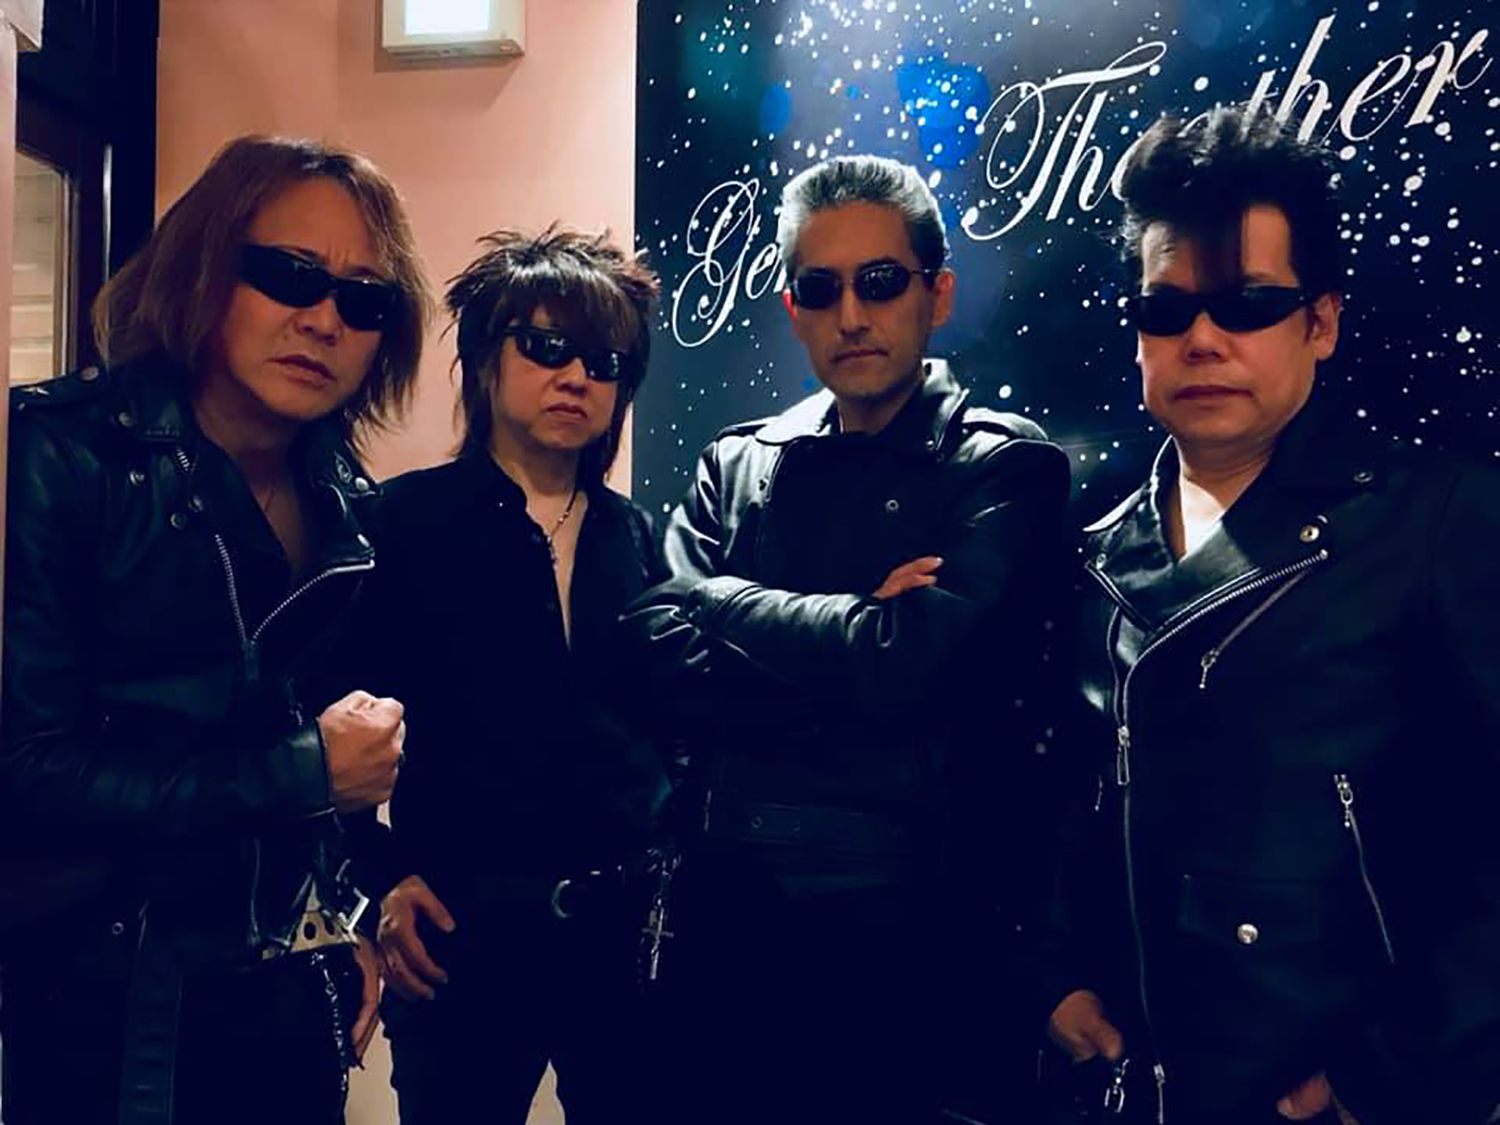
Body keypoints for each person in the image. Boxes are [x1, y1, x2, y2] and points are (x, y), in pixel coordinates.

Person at [1043, 105, 1500, 1124]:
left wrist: (1384, 1081)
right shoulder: (1093, 548)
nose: (1203, 339)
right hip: (1132, 1089)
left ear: (1320, 322)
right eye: (1166, 310)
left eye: (1247, 305)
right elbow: (1065, 796)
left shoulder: (1439, 521)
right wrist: (1055, 977)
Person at [622, 154, 1072, 1124]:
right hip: (722, 926)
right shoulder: (738, 463)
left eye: (880, 281)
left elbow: (910, 668)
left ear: (936, 293)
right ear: (793, 309)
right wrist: (857, 620)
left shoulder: (1005, 467)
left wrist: (720, 600)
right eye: (821, 289)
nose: (852, 315)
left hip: (907, 936)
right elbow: (656, 664)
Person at [0, 135, 430, 1125]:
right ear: (203, 265)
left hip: (281, 997)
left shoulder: (347, 505)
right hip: (106, 1004)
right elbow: (24, 770)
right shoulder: (58, 455)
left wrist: (347, 911)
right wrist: (303, 772)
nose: (323, 318)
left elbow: (322, 758)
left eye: (363, 299)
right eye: (289, 274)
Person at [353, 227, 668, 1124]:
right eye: (546, 346)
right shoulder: (400, 524)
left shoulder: (636, 536)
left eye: (603, 362)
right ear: (488, 358)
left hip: (620, 940)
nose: (576, 377)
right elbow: (325, 726)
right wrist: (379, 879)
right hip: (460, 937)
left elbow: (671, 724)